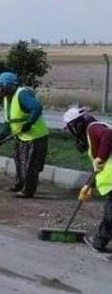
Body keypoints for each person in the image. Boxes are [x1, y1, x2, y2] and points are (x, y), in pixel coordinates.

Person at [0, 71, 49, 198]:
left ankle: (28, 191)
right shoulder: (7, 99)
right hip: (20, 136)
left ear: (7, 86)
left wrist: (29, 123)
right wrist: (3, 134)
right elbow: (9, 119)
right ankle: (19, 184)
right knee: (19, 161)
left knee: (30, 165)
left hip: (35, 136)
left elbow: (37, 108)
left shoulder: (22, 94)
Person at [63, 107, 112, 253]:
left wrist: (100, 157)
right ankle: (99, 242)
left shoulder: (93, 128)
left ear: (76, 125)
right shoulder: (94, 130)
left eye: (70, 129)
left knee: (110, 214)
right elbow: (99, 168)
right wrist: (89, 185)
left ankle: (99, 243)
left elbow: (109, 136)